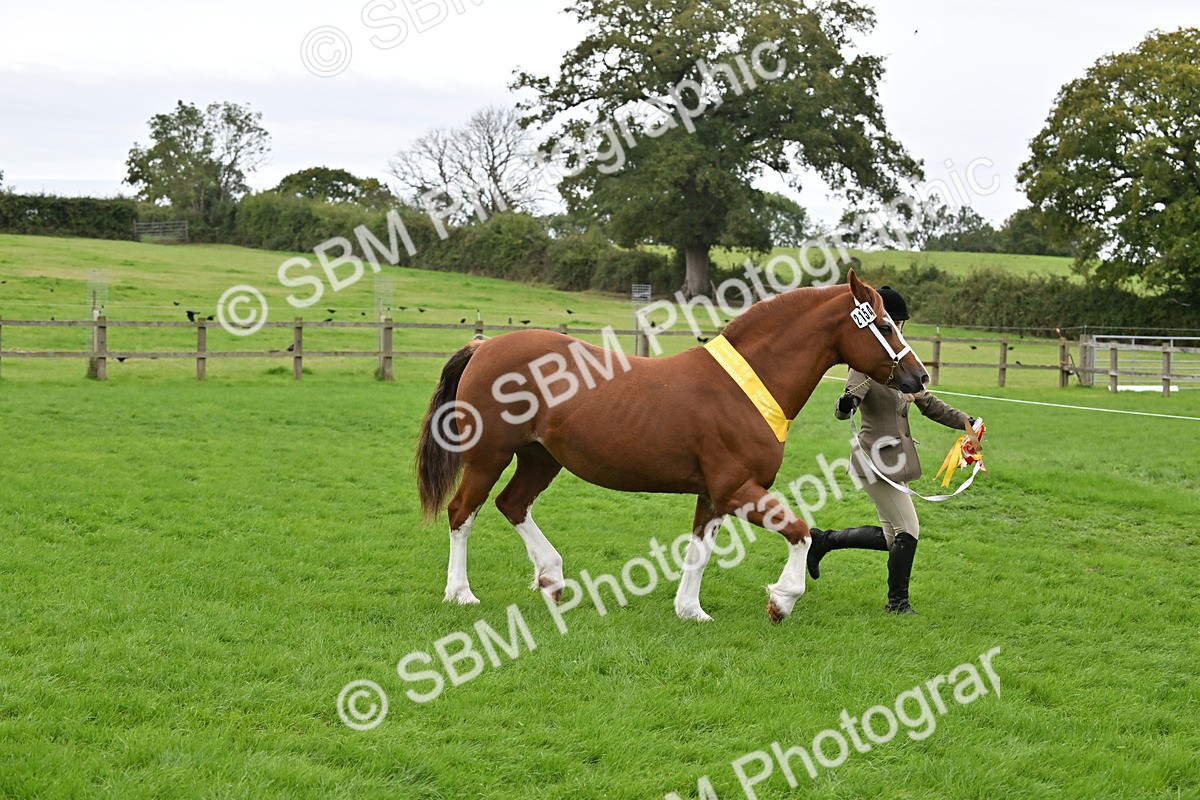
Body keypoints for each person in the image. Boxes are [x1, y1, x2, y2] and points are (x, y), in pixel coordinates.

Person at [807, 286, 978, 615]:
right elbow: (846, 406)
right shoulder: (866, 362)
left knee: (891, 537)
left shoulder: (898, 362)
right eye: (896, 323)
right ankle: (897, 604)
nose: (900, 330)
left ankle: (823, 540)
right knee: (908, 531)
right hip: (875, 459)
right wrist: (845, 404)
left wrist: (966, 422)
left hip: (897, 460)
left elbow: (928, 403)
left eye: (900, 324)